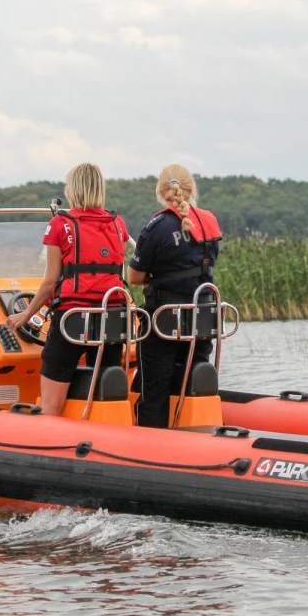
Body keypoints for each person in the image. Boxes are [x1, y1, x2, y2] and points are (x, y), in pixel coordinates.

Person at [7, 163, 130, 416]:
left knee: (51, 405)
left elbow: (50, 281)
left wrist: (25, 316)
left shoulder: (60, 224)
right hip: (112, 319)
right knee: (104, 399)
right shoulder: (118, 224)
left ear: (72, 189)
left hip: (71, 320)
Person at [127, 164, 222, 429]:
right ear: (191, 189)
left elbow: (134, 277)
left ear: (160, 191)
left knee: (154, 387)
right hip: (203, 318)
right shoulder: (209, 221)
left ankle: (151, 441)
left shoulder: (156, 226)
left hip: (165, 318)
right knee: (192, 377)